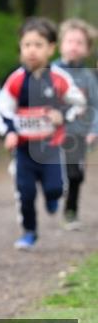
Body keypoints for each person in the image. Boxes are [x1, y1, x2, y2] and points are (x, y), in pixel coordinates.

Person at [0, 17, 86, 250]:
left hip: (51, 148)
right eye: (27, 45)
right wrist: (10, 132)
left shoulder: (59, 79)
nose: (32, 51)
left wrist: (62, 115)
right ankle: (29, 232)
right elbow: (3, 109)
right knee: (25, 193)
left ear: (51, 48)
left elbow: (78, 103)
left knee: (55, 189)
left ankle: (53, 199)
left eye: (38, 45)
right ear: (21, 48)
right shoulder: (16, 80)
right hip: (25, 150)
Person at [54, 18, 98, 230]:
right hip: (51, 134)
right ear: (60, 44)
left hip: (76, 134)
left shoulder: (88, 76)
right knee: (51, 172)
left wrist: (94, 129)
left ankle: (71, 211)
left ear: (87, 49)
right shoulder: (50, 72)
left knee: (75, 175)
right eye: (70, 41)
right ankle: (53, 194)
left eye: (80, 42)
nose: (74, 46)